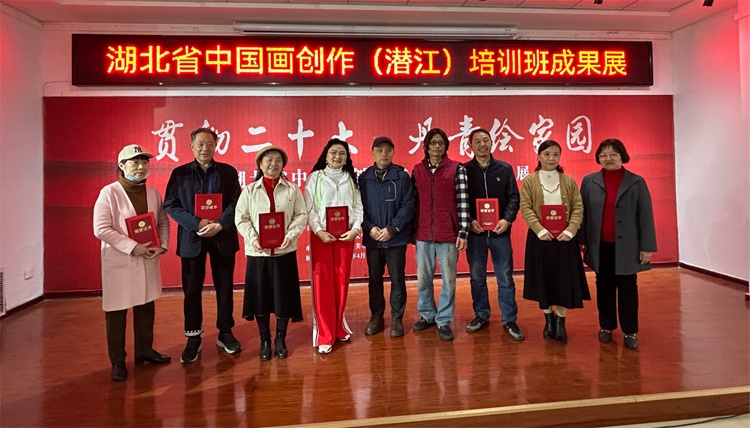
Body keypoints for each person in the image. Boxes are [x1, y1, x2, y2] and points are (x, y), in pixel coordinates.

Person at [164, 127, 242, 363]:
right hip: (192, 238)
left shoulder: (228, 172)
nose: (205, 148)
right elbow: (171, 204)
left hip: (222, 237)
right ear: (191, 147)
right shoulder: (180, 174)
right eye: (200, 144)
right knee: (191, 290)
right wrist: (196, 223)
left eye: (209, 144)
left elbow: (236, 201)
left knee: (225, 287)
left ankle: (225, 331)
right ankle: (193, 336)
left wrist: (220, 224)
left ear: (216, 146)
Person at [93, 144, 171, 382]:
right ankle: (117, 360)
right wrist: (132, 246)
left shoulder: (152, 192)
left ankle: (144, 350)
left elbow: (162, 221)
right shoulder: (109, 193)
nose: (140, 167)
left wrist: (162, 245)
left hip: (147, 258)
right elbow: (101, 228)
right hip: (121, 260)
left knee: (146, 306)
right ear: (121, 165)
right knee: (117, 312)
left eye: (144, 162)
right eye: (134, 162)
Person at [580, 139, 657, 350]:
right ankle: (606, 326)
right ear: (598, 158)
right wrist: (581, 240)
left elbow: (645, 215)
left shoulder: (636, 182)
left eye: (613, 154)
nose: (608, 158)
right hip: (600, 245)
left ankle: (630, 330)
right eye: (603, 155)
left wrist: (647, 246)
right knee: (603, 287)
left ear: (622, 156)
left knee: (627, 288)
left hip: (627, 246)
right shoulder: (589, 181)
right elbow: (582, 213)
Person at [235, 146, 307, 360]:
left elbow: (301, 215)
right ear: (260, 164)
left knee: (283, 297)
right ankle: (265, 340)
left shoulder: (292, 189)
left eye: (278, 160)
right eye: (268, 160)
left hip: (284, 252)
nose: (273, 164)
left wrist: (290, 235)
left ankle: (280, 339)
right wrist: (253, 238)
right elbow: (241, 218)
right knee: (261, 299)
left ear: (283, 165)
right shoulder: (249, 190)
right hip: (259, 254)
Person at [520, 140, 589, 343]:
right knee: (544, 280)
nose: (551, 158)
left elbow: (578, 207)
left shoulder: (568, 180)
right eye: (547, 154)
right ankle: (548, 320)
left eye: (556, 154)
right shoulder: (530, 181)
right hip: (540, 239)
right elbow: (526, 207)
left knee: (564, 281)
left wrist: (571, 230)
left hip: (565, 239)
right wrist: (539, 230)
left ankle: (560, 322)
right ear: (538, 156)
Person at [464, 128, 525, 341]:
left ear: (492, 143)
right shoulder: (464, 170)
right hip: (476, 235)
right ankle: (481, 314)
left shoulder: (505, 169)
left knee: (505, 277)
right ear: (470, 145)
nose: (482, 144)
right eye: (477, 141)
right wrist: (469, 220)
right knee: (477, 277)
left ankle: (509, 319)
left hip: (500, 233)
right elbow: (459, 200)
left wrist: (506, 220)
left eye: (486, 140)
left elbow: (514, 198)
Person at [304, 138, 364, 354]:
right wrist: (319, 231)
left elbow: (358, 207)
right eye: (333, 153)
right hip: (321, 237)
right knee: (323, 284)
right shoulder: (315, 178)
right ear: (326, 155)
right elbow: (309, 208)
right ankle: (325, 334)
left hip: (346, 237)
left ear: (347, 157)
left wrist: (355, 229)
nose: (337, 156)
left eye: (342, 153)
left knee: (341, 283)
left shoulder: (351, 178)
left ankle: (338, 327)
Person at [411, 128, 470, 341]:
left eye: (441, 143)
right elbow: (413, 202)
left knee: (449, 280)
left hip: (448, 233)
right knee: (423, 279)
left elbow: (463, 201)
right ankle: (427, 314)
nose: (437, 146)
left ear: (446, 146)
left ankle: (444, 320)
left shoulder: (457, 168)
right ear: (426, 146)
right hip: (423, 233)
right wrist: (412, 231)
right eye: (433, 142)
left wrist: (463, 230)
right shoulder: (417, 170)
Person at [359, 136, 416, 338]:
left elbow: (409, 205)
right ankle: (376, 316)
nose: (384, 154)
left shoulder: (402, 176)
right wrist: (370, 228)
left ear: (393, 152)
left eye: (388, 150)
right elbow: (358, 207)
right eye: (379, 150)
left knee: (397, 279)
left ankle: (397, 318)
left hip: (396, 239)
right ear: (372, 153)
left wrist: (392, 229)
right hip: (373, 238)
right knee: (374, 280)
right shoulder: (364, 178)